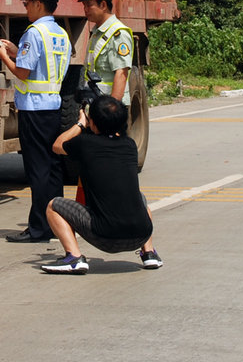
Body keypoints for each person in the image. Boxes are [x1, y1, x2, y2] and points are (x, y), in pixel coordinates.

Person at [41, 95, 162, 274]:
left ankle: (74, 257)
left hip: (105, 237)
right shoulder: (129, 145)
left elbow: (58, 145)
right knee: (140, 198)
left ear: (94, 123)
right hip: (141, 234)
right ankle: (149, 253)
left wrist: (81, 123)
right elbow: (112, 136)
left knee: (53, 205)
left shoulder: (84, 143)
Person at [0, 0, 70, 243]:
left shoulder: (34, 33)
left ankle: (39, 228)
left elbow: (23, 73)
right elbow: (43, 66)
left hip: (34, 110)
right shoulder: (60, 33)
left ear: (38, 4)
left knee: (37, 170)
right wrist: (17, 51)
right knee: (53, 169)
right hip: (52, 107)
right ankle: (57, 222)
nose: (25, 7)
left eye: (27, 3)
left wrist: (5, 57)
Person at [79, 0, 135, 106]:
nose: (85, 9)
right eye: (84, 6)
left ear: (103, 5)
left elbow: (121, 73)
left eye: (89, 5)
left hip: (109, 108)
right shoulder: (97, 32)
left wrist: (111, 109)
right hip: (97, 104)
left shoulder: (118, 34)